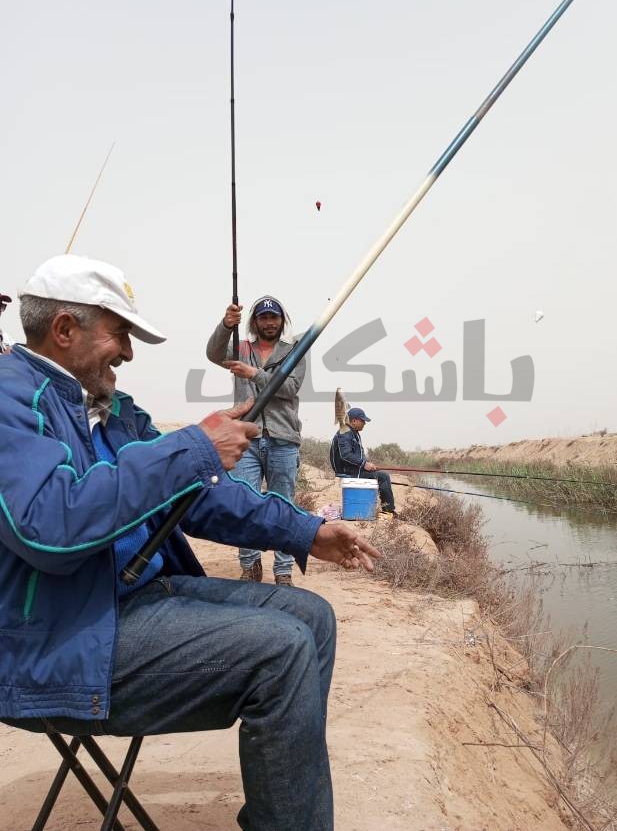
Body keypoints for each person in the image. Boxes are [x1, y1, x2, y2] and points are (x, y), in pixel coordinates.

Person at [0, 254, 379, 831]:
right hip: (62, 640)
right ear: (65, 330)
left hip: (131, 601)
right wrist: (194, 448)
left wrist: (307, 531)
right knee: (283, 651)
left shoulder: (114, 412)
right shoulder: (9, 400)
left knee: (314, 618)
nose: (128, 353)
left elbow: (200, 495)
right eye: (121, 333)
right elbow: (48, 526)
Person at [206, 296, 304, 586]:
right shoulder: (241, 347)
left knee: (283, 503)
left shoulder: (294, 351)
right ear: (254, 322)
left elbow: (290, 387)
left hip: (283, 438)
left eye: (274, 318)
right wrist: (226, 324)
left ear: (281, 321)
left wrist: (253, 374)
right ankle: (250, 565)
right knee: (244, 501)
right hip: (246, 437)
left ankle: (283, 570)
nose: (269, 323)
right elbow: (213, 353)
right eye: (263, 318)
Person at [330, 406, 398, 516]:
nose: (364, 424)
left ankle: (387, 509)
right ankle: (388, 511)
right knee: (384, 477)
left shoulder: (353, 432)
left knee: (381, 476)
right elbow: (345, 455)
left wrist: (368, 464)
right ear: (354, 420)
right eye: (363, 421)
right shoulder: (345, 433)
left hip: (354, 469)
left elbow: (356, 455)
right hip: (348, 471)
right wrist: (364, 464)